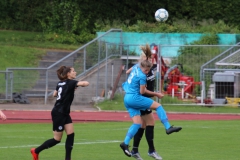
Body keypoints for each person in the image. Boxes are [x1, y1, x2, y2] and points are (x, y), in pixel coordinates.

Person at [120, 44, 182, 158]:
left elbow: (129, 71)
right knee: (157, 108)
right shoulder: (143, 74)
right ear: (143, 61)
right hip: (136, 98)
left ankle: (126, 144)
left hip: (127, 98)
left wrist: (135, 71)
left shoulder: (138, 68)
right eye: (147, 60)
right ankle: (167, 128)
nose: (148, 69)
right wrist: (156, 94)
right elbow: (143, 91)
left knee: (139, 123)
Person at [30, 66, 89, 160]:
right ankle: (36, 151)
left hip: (64, 113)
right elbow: (85, 83)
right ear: (68, 74)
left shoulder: (60, 83)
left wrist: (68, 90)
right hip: (59, 113)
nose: (75, 72)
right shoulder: (71, 82)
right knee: (56, 140)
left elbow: (54, 94)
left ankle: (68, 158)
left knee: (71, 134)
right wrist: (82, 84)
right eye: (73, 71)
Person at [126, 53, 161, 160]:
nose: (150, 59)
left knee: (142, 125)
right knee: (150, 122)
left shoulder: (151, 68)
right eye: (147, 58)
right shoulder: (140, 69)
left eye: (151, 58)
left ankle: (135, 150)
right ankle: (151, 150)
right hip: (140, 98)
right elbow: (128, 72)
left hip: (144, 98)